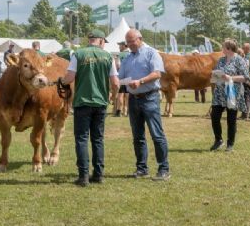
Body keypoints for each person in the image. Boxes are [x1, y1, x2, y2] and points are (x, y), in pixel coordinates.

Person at [60, 29, 119, 187]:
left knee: (82, 139)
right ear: (100, 41)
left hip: (82, 102)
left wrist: (62, 81)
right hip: (100, 103)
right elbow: (115, 83)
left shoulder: (77, 55)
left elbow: (70, 78)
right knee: (98, 139)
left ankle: (83, 176)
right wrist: (113, 96)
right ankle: (98, 174)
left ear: (90, 39)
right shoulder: (108, 57)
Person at [119, 29, 170, 181]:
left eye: (132, 41)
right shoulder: (127, 58)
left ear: (140, 39)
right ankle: (142, 169)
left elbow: (157, 74)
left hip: (149, 98)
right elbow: (121, 78)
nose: (129, 45)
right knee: (138, 136)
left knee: (157, 134)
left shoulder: (151, 53)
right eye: (127, 42)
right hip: (133, 99)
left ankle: (164, 169)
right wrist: (117, 84)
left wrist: (140, 81)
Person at [210, 39, 249, 152]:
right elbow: (217, 73)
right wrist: (215, 76)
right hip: (219, 93)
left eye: (223, 47)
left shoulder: (239, 60)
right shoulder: (221, 60)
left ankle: (230, 144)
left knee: (231, 119)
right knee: (214, 116)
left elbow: (245, 77)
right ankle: (218, 140)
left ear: (229, 48)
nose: (222, 49)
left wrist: (231, 78)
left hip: (233, 93)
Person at [113, 41, 130, 117]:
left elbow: (118, 65)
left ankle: (119, 111)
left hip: (122, 76)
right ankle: (126, 111)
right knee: (128, 95)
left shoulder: (120, 55)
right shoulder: (131, 54)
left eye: (120, 45)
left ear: (124, 46)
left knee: (120, 94)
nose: (119, 47)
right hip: (129, 77)